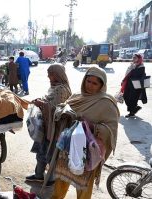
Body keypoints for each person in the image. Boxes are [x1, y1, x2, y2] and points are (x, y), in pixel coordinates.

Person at [51, 67, 120, 199]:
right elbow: (62, 107)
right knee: (62, 178)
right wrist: (63, 112)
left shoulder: (107, 103)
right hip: (68, 148)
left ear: (102, 85)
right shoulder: (77, 96)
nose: (90, 86)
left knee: (83, 185)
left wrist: (93, 127)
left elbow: (111, 130)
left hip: (88, 152)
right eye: (88, 81)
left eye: (95, 83)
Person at [26, 64, 71, 186]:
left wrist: (41, 103)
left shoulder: (61, 89)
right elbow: (49, 101)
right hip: (47, 126)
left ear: (57, 75)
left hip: (54, 129)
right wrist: (41, 101)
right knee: (43, 152)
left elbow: (56, 110)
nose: (48, 76)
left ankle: (47, 178)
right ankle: (40, 175)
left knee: (48, 154)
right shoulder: (55, 87)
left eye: (50, 74)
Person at [122, 53, 147, 118]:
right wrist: (123, 81)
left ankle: (131, 112)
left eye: (135, 57)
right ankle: (135, 108)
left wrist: (133, 68)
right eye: (133, 57)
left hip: (136, 86)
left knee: (133, 99)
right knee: (125, 96)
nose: (133, 59)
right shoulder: (132, 65)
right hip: (128, 84)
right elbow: (127, 74)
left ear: (139, 58)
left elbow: (136, 75)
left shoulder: (141, 67)